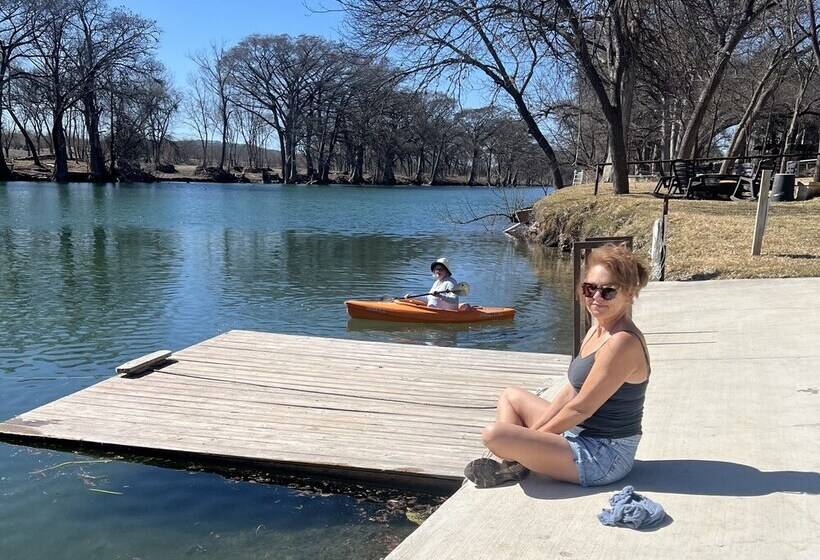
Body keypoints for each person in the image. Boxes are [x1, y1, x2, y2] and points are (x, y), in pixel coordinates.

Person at [465, 244, 650, 488]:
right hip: (578, 434)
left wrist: (534, 438)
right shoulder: (598, 328)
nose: (595, 298)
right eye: (589, 288)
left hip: (604, 454)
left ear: (628, 293)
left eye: (608, 292)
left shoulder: (621, 342)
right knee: (511, 397)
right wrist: (534, 437)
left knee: (494, 435)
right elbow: (571, 390)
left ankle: (517, 464)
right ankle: (518, 464)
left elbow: (581, 409)